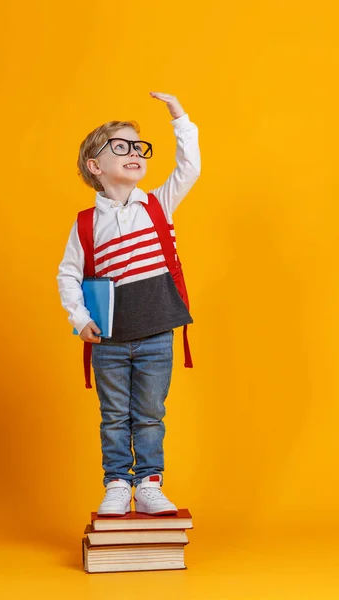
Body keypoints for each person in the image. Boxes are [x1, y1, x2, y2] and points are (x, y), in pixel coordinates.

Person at [56, 92, 200, 516]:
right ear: (95, 167)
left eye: (139, 147)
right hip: (110, 340)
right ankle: (118, 482)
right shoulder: (86, 223)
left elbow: (189, 167)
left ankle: (149, 482)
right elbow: (68, 274)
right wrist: (79, 319)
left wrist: (180, 118)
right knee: (115, 415)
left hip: (157, 331)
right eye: (121, 146)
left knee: (151, 414)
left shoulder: (158, 204)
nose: (134, 152)